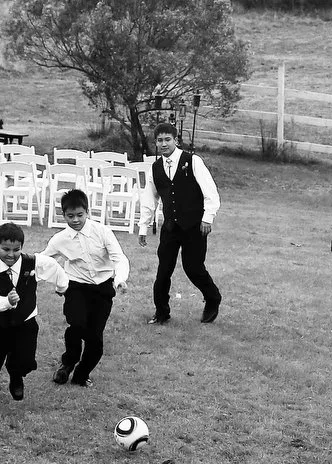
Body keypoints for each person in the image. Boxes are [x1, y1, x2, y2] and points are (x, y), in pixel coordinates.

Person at [0, 222, 69, 408]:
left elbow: (55, 268)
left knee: (25, 361)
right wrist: (8, 302)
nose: (11, 255)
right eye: (5, 249)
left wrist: (62, 287)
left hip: (25, 323)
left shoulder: (33, 262)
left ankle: (16, 376)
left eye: (16, 249)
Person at [41, 188, 130, 388]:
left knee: (95, 338)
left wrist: (120, 279)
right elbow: (44, 260)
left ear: (87, 212)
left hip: (102, 289)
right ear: (63, 215)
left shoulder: (102, 232)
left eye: (79, 215)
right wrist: (24, 270)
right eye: (70, 216)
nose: (75, 220)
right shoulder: (60, 239)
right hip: (76, 288)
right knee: (76, 324)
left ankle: (82, 374)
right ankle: (68, 362)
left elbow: (119, 258)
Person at [137, 122, 222, 325]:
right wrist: (143, 226)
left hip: (195, 225)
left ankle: (212, 298)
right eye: (160, 140)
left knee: (193, 268)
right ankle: (161, 312)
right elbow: (149, 199)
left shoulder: (192, 161)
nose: (164, 144)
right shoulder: (155, 168)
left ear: (176, 140)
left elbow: (210, 192)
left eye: (168, 139)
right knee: (163, 270)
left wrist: (207, 218)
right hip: (171, 227)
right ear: (155, 143)